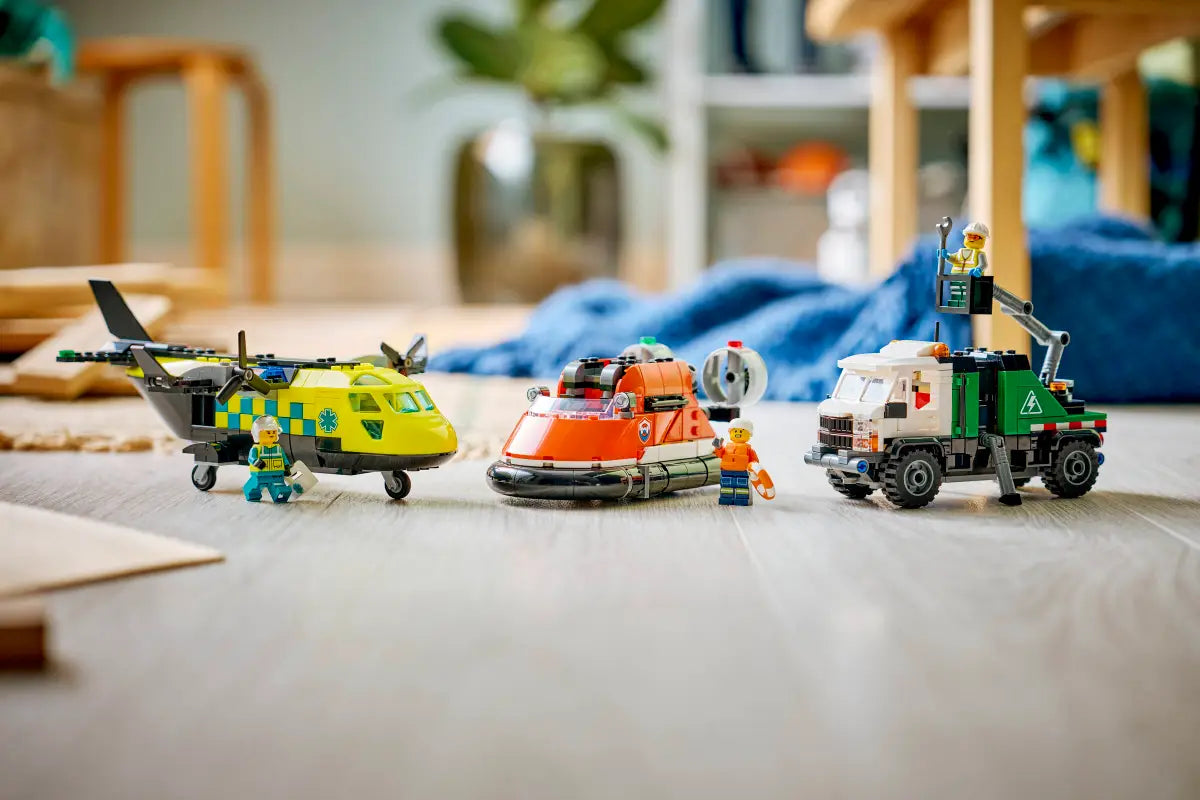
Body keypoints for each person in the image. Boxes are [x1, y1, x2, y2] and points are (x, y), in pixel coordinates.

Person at [243, 415, 302, 503]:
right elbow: (251, 458)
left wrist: (286, 467)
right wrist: (258, 463)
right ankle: (253, 496)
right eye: (268, 432)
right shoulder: (256, 448)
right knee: (254, 489)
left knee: (282, 490)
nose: (271, 434)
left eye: (274, 432)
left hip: (277, 475)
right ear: (258, 434)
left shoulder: (278, 448)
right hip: (260, 475)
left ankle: (280, 497)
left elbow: (284, 458)